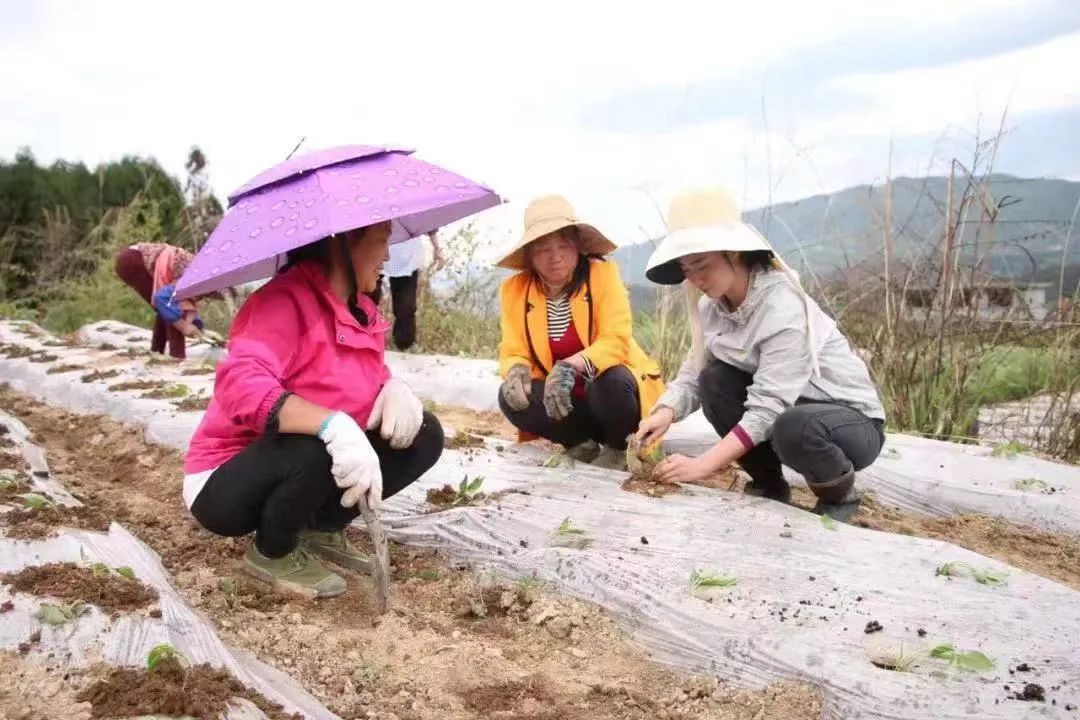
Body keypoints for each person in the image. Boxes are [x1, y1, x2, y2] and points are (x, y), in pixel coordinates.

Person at [182, 222, 443, 598]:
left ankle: (319, 527)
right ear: (344, 244)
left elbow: (358, 380)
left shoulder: (362, 312)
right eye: (381, 242)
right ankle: (272, 551)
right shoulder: (282, 304)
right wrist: (330, 423)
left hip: (297, 464)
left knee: (423, 434)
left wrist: (391, 388)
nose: (387, 255)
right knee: (318, 442)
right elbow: (240, 384)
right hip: (227, 481)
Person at [635, 188, 885, 521]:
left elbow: (768, 408)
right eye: (686, 269)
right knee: (715, 381)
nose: (694, 279)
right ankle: (769, 484)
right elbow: (695, 371)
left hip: (850, 423)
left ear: (734, 253)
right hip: (789, 413)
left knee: (793, 426)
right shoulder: (714, 308)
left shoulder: (782, 308)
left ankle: (838, 497)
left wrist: (702, 465)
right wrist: (665, 412)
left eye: (701, 265)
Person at [496, 195, 665, 470]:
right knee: (510, 396)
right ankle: (581, 443)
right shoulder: (514, 290)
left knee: (610, 379)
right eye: (543, 249)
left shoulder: (602, 275)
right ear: (529, 255)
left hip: (614, 402)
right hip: (566, 403)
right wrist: (515, 369)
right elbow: (514, 348)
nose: (555, 258)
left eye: (563, 246)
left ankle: (617, 448)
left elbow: (616, 339)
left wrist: (571, 366)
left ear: (577, 246)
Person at [114, 242, 232, 359]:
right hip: (134, 261)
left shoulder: (202, 275)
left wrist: (200, 329)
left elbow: (183, 307)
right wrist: (184, 326)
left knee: (168, 311)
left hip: (131, 258)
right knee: (171, 309)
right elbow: (164, 300)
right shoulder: (195, 277)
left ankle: (157, 352)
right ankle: (177, 357)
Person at [366, 230, 444, 350]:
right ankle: (364, 337)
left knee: (406, 305)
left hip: (407, 253)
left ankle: (404, 344)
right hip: (377, 246)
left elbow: (424, 218)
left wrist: (437, 248)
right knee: (368, 297)